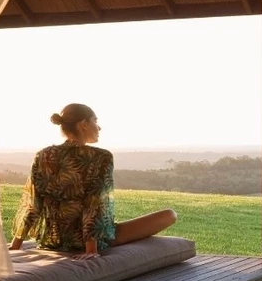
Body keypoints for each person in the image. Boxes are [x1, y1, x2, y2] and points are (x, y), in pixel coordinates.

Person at [10, 103, 177, 260]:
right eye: (95, 121)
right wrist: (91, 249)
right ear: (83, 124)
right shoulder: (101, 157)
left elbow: (33, 203)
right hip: (88, 239)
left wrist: (16, 245)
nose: (99, 127)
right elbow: (94, 202)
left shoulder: (43, 155)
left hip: (54, 239)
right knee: (169, 215)